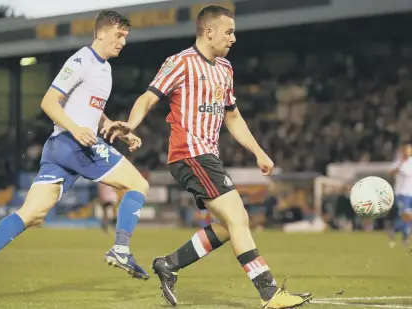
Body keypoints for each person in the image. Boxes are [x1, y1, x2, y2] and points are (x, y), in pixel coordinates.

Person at [103, 5, 312, 308]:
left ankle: (169, 264)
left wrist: (258, 152)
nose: (234, 38)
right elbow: (149, 96)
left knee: (231, 226)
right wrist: (130, 125)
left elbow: (234, 117)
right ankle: (270, 294)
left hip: (207, 155)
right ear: (208, 31)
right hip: (189, 153)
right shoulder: (180, 62)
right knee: (239, 217)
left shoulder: (225, 70)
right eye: (229, 31)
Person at [0, 11, 150, 301]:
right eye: (118, 35)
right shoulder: (81, 60)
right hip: (73, 144)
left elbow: (91, 110)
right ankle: (121, 248)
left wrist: (113, 127)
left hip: (63, 149)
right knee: (138, 185)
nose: (123, 41)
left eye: (125, 36)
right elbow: (48, 101)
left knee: (32, 213)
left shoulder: (104, 69)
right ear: (100, 33)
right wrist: (76, 130)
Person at [389, 140, 412, 247]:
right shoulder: (398, 162)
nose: (407, 151)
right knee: (406, 215)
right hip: (401, 193)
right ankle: (400, 234)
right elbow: (390, 173)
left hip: (410, 193)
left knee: (406, 216)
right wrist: (401, 163)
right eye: (405, 149)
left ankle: (399, 234)